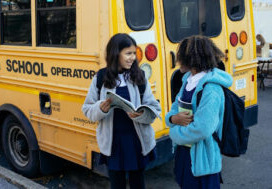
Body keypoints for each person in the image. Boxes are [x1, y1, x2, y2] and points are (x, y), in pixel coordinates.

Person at [82, 33, 161, 189]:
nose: (133, 58)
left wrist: (142, 113)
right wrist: (100, 108)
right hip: (113, 143)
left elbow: (154, 107)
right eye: (128, 53)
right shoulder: (101, 78)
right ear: (115, 54)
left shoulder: (139, 76)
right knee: (116, 184)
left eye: (134, 53)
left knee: (138, 183)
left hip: (137, 141)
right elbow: (87, 109)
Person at [165, 35, 233, 189]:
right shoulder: (188, 80)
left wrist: (174, 133)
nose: (177, 61)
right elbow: (174, 109)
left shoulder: (211, 89)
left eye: (181, 56)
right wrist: (173, 118)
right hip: (185, 154)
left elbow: (203, 129)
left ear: (192, 59)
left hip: (203, 161)